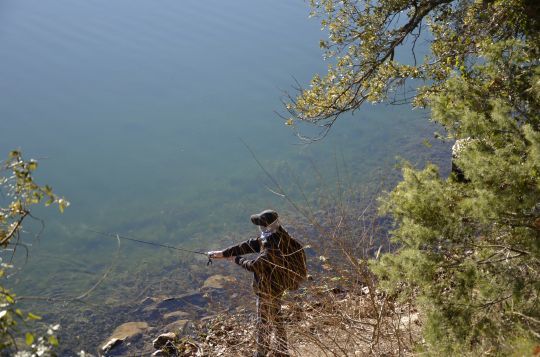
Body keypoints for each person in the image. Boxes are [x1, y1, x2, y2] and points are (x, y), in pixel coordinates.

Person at [208, 209, 293, 357]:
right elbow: (249, 245)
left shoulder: (272, 245)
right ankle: (282, 351)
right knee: (275, 317)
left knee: (263, 322)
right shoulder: (279, 235)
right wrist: (224, 253)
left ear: (265, 227)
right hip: (278, 285)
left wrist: (237, 259)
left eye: (260, 224)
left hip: (269, 288)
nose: (258, 228)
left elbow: (256, 266)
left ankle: (262, 353)